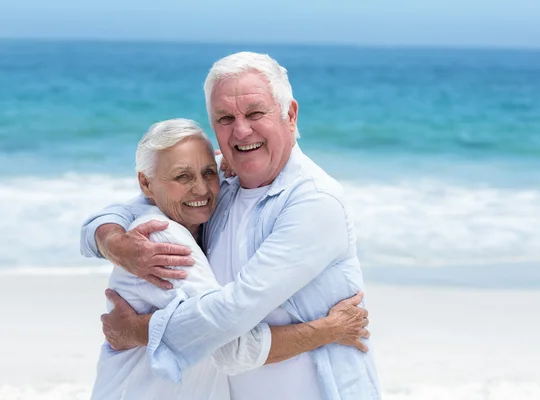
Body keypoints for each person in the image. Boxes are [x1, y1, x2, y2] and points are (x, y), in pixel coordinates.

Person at [81, 51, 381, 399]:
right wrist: (114, 243)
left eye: (255, 113)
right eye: (224, 118)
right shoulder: (218, 181)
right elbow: (127, 208)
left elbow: (228, 327)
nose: (241, 130)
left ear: (290, 115)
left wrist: (138, 331)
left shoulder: (313, 203)